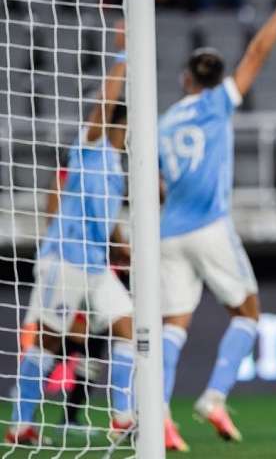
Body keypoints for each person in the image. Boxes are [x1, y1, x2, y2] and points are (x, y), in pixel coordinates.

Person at [157, 0, 276, 452]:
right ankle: (214, 397)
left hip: (167, 232)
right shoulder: (219, 103)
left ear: (185, 79)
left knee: (172, 328)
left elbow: (156, 184)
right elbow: (258, 51)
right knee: (247, 313)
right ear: (218, 79)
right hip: (209, 226)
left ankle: (158, 413)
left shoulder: (162, 123)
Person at [6, 50, 133, 445]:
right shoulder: (91, 146)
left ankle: (123, 418)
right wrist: (124, 58)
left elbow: (103, 219)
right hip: (65, 260)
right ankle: (20, 426)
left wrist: (119, 247)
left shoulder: (115, 166)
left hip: (95, 265)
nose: (131, 135)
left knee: (128, 326)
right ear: (117, 125)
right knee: (47, 344)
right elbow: (103, 104)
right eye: (127, 127)